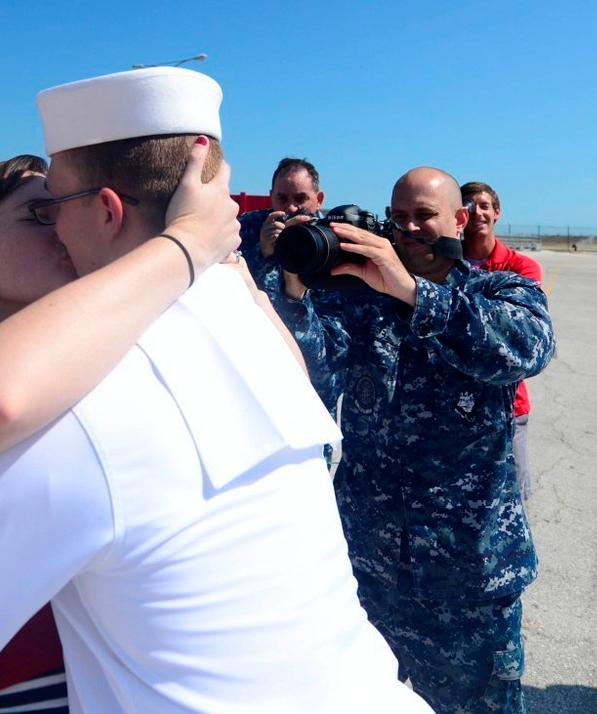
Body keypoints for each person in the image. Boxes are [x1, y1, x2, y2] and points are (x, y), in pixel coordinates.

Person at [0, 68, 430, 714]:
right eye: (36, 214)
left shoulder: (79, 405)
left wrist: (194, 247)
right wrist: (194, 240)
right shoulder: (247, 332)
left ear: (106, 209)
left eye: (52, 207)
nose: (53, 229)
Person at [271, 167, 556, 713]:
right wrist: (294, 286)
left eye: (424, 215)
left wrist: (408, 291)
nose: (410, 229)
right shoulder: (358, 299)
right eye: (398, 218)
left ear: (459, 218)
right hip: (369, 567)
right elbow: (307, 368)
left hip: (467, 575)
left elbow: (526, 348)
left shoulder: (495, 288)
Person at [461, 181, 543, 501]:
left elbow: (514, 335)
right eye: (468, 205)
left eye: (483, 205)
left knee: (513, 496)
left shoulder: (522, 267)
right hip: (453, 408)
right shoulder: (439, 265)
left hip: (508, 406)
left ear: (497, 212)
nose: (476, 211)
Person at [238, 157, 325, 294]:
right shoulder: (249, 225)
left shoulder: (330, 237)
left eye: (300, 199)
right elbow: (232, 285)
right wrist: (262, 252)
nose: (291, 208)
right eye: (282, 199)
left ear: (318, 200)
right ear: (271, 198)